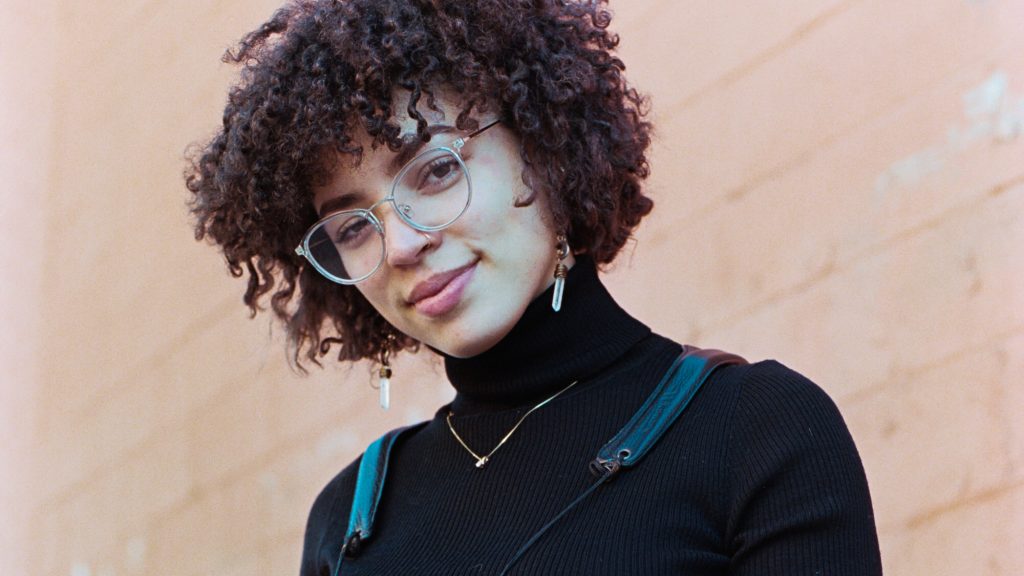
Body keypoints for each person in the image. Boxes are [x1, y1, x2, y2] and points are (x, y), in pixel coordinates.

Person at [185, 0, 883, 574]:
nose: (401, 244)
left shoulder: (755, 432)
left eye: (434, 171)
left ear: (545, 146)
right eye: (354, 226)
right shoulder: (349, 519)